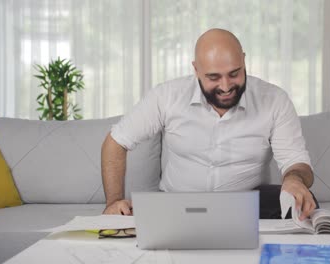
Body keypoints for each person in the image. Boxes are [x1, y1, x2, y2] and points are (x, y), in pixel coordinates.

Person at [101, 28, 317, 220]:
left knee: (304, 202)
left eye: (234, 74)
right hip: (177, 205)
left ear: (244, 60)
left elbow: (296, 162)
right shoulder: (167, 96)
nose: (225, 86)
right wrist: (113, 202)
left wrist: (294, 180)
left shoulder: (274, 100)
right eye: (214, 77)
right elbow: (115, 142)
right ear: (196, 70)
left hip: (247, 206)